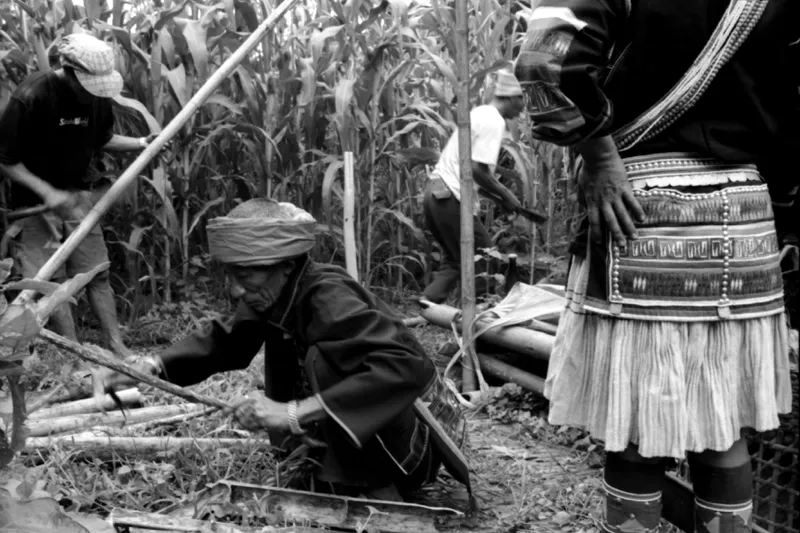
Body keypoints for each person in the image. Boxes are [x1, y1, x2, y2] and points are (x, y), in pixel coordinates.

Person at [514, 1, 797, 532]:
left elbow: (542, 56)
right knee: (726, 429)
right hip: (749, 216)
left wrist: (597, 157)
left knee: (639, 429)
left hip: (639, 211)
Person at [94, 198, 469, 500]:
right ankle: (326, 463)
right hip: (372, 437)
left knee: (323, 361)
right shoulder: (274, 292)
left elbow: (406, 367)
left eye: (245, 276)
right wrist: (149, 366)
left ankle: (376, 488)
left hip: (407, 453)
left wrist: (291, 413)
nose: (236, 290)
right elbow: (229, 340)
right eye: (232, 275)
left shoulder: (328, 296)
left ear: (286, 265)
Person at [0, 33, 157, 358]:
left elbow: (103, 138)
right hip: (35, 207)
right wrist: (49, 193)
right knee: (52, 284)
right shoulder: (32, 95)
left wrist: (142, 144)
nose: (92, 94)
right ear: (67, 71)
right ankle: (76, 357)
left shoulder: (96, 98)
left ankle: (117, 346)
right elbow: (6, 160)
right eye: (86, 85)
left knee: (97, 272)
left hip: (79, 199)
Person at [421, 69, 527, 304]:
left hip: (435, 194)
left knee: (455, 260)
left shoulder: (480, 113)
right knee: (485, 259)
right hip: (449, 196)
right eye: (522, 99)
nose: (523, 107)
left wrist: (501, 199)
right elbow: (477, 170)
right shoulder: (494, 120)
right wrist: (507, 194)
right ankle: (479, 317)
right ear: (510, 96)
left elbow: (468, 170)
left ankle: (425, 305)